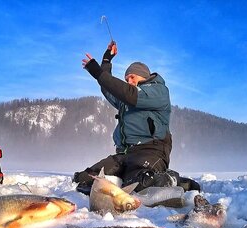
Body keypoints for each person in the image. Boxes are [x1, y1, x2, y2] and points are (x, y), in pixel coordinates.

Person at [73, 41, 187, 195]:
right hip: (125, 153)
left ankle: (178, 182)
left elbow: (129, 94)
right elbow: (110, 88)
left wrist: (98, 73)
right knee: (86, 178)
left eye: (132, 77)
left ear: (144, 76)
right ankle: (118, 178)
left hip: (151, 150)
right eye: (126, 80)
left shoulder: (158, 91)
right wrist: (107, 60)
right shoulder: (126, 100)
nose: (129, 82)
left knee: (139, 184)